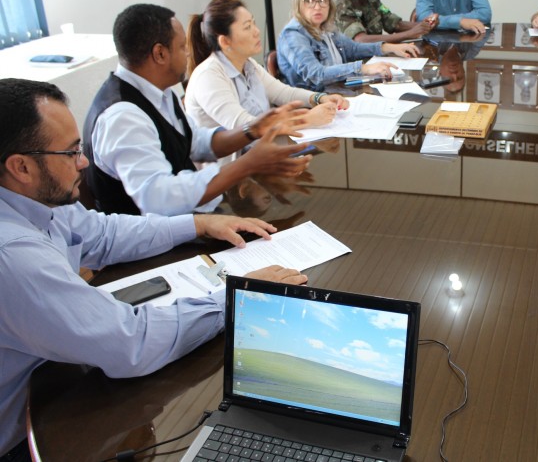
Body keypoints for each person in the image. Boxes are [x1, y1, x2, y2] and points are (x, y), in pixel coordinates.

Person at [0, 78, 308, 459]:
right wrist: (233, 297)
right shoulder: (13, 255)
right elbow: (131, 343)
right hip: (23, 437)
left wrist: (196, 223)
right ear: (21, 167)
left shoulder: (30, 200)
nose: (84, 162)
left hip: (53, 378)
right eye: (71, 152)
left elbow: (101, 234)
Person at [84, 3, 313, 216]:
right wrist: (248, 164)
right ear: (160, 53)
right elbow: (159, 199)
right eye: (182, 47)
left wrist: (252, 129)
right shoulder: (123, 116)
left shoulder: (161, 93)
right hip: (153, 247)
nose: (187, 54)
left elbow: (196, 142)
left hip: (188, 220)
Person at [184, 0, 348, 167]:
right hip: (228, 176)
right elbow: (244, 127)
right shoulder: (208, 76)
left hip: (259, 157)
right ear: (225, 41)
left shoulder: (248, 64)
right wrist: (308, 119)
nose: (257, 31)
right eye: (247, 27)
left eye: (254, 23)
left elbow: (283, 92)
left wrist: (319, 98)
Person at [278, 0, 419, 91]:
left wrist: (388, 47)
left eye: (322, 1)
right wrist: (364, 68)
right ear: (299, 5)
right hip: (314, 103)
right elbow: (316, 74)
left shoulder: (325, 28)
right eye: (309, 1)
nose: (317, 7)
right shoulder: (293, 35)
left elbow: (353, 48)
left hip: (340, 91)